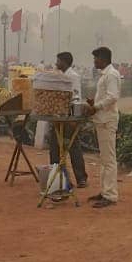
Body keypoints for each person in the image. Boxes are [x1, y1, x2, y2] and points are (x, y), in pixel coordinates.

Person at [84, 46, 120, 208]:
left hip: (107, 120)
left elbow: (113, 97)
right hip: (102, 119)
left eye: (96, 58)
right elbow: (107, 96)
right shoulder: (106, 75)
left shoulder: (111, 74)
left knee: (109, 159)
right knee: (104, 159)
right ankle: (105, 191)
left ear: (103, 59)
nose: (94, 61)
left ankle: (110, 195)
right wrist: (94, 104)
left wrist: (96, 107)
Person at [48, 52, 88, 188]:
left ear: (64, 62)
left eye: (58, 61)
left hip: (69, 116)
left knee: (73, 147)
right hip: (59, 115)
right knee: (55, 146)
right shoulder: (59, 75)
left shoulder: (73, 76)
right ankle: (59, 177)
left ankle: (81, 178)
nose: (56, 63)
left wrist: (74, 118)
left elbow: (76, 97)